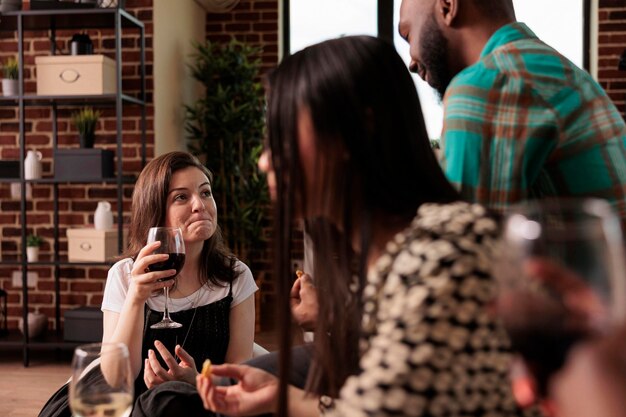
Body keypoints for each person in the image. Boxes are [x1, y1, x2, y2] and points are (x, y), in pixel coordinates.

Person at [196, 35, 536, 417]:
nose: (263, 162)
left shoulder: (443, 258)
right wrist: (283, 397)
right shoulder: (390, 257)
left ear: (354, 130)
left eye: (280, 137)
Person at [38, 151, 258, 417]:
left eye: (205, 192)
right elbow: (116, 376)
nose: (199, 205)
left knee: (171, 403)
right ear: (155, 210)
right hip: (125, 403)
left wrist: (195, 381)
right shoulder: (124, 274)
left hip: (198, 400)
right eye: (181, 197)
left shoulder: (236, 277)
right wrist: (135, 297)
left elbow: (238, 376)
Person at [398, 0, 626, 222]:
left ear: (448, 7)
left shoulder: (488, 82)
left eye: (408, 36)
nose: (411, 62)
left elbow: (461, 250)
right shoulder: (558, 70)